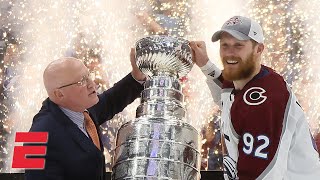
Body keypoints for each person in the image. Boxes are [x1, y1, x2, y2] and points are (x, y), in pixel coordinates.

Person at [190, 16, 320, 179]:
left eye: (238, 45)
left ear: (259, 49)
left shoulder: (266, 101)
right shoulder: (244, 79)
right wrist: (205, 65)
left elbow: (262, 174)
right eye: (225, 45)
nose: (230, 52)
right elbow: (229, 97)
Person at [24, 48, 146, 180]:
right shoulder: (35, 137)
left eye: (89, 76)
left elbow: (110, 101)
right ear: (59, 94)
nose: (92, 84)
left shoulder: (79, 107)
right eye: (81, 81)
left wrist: (136, 76)